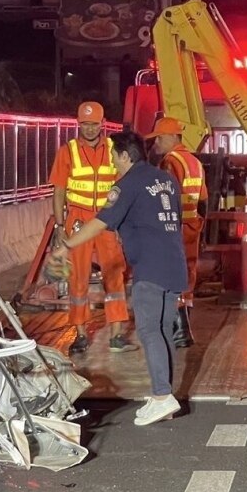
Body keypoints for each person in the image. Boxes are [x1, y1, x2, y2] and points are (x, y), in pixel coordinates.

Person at [51, 131, 187, 426]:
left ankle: (163, 396)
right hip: (174, 264)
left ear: (126, 156)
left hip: (149, 268)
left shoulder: (127, 184)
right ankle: (164, 395)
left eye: (114, 155)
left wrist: (68, 245)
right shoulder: (167, 180)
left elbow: (100, 222)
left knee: (150, 331)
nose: (112, 161)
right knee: (163, 331)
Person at [48, 102, 135, 355]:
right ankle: (80, 334)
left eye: (93, 124)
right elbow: (59, 190)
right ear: (78, 124)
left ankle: (117, 334)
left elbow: (126, 184)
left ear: (102, 123)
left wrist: (124, 220)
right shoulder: (68, 151)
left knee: (114, 274)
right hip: (78, 220)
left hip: (108, 219)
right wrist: (60, 225)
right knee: (78, 278)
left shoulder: (114, 149)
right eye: (84, 124)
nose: (89, 128)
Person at [147, 116, 207, 348]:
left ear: (173, 137)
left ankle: (180, 330)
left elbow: (165, 197)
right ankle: (185, 325)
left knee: (172, 276)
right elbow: (203, 199)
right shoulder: (194, 161)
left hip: (176, 227)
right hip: (193, 225)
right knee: (188, 274)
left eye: (159, 138)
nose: (156, 144)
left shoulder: (171, 162)